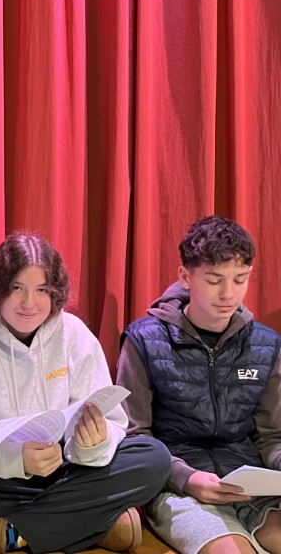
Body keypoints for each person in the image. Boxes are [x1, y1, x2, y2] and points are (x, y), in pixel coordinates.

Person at [0, 231, 171, 554]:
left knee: (153, 458)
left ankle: (8, 533)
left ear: (55, 293)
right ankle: (91, 524)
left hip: (66, 473)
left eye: (42, 290)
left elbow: (112, 421)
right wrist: (14, 460)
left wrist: (91, 447)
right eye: (17, 288)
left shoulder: (74, 334)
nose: (29, 303)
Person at [117, 216, 281, 554]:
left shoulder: (266, 344)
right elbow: (134, 437)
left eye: (240, 279)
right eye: (214, 280)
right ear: (185, 276)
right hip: (179, 487)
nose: (228, 294)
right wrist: (185, 478)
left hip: (253, 486)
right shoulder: (143, 339)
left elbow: (271, 437)